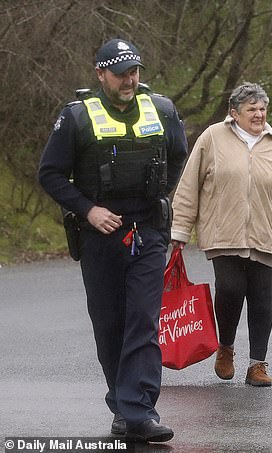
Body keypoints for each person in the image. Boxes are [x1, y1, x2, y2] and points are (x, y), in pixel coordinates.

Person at [38, 38, 188, 441]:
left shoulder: (162, 109)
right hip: (99, 234)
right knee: (110, 324)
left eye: (134, 71)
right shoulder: (76, 118)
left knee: (143, 319)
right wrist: (88, 209)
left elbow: (178, 156)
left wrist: (160, 193)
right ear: (100, 73)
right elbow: (49, 174)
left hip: (148, 231)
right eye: (121, 72)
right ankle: (122, 407)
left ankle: (141, 411)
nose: (130, 79)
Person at [170, 82, 272, 387]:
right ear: (234, 113)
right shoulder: (212, 138)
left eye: (263, 108)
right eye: (252, 109)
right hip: (222, 232)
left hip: (264, 234)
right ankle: (226, 347)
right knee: (231, 288)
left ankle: (257, 365)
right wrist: (180, 230)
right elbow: (189, 186)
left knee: (262, 298)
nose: (259, 114)